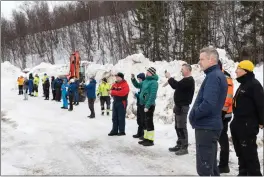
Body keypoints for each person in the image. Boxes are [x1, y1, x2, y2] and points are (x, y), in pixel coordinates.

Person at [189, 47, 228, 176]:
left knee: (204, 167)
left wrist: (194, 114)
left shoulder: (213, 76)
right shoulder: (215, 75)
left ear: (211, 60)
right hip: (210, 125)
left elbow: (208, 104)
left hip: (207, 126)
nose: (199, 62)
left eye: (201, 59)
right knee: (210, 165)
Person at [230, 60, 264, 176]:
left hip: (247, 125)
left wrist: (261, 121)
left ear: (245, 71)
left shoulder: (254, 85)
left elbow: (261, 105)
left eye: (238, 69)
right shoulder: (243, 84)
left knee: (250, 154)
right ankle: (243, 173)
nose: (236, 71)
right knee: (240, 153)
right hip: (238, 123)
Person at [165, 64, 195, 155]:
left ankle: (184, 147)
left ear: (188, 70)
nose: (181, 71)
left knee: (182, 127)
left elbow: (176, 85)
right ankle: (179, 144)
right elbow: (177, 85)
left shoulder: (189, 80)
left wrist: (170, 78)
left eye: (182, 69)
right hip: (178, 106)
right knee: (177, 126)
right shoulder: (185, 80)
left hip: (183, 107)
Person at [132, 67, 158, 146]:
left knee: (149, 122)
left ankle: (150, 140)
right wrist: (133, 79)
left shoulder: (154, 82)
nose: (147, 73)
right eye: (147, 72)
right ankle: (146, 138)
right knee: (145, 122)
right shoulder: (145, 81)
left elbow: (152, 95)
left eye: (148, 72)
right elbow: (138, 85)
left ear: (152, 73)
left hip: (149, 105)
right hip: (143, 104)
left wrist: (147, 105)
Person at [217, 60, 234, 173]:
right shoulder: (218, 76)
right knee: (220, 137)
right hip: (219, 113)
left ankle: (224, 165)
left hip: (224, 114)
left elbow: (228, 97)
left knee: (222, 138)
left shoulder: (225, 77)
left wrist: (221, 113)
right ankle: (222, 163)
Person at [131, 73, 145, 138]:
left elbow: (143, 96)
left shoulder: (144, 85)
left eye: (139, 79)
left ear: (142, 79)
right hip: (139, 104)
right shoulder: (141, 85)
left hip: (143, 104)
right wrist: (133, 79)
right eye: (138, 79)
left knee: (143, 120)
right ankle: (139, 133)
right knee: (139, 119)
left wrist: (136, 95)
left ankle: (143, 134)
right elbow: (136, 85)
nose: (139, 80)